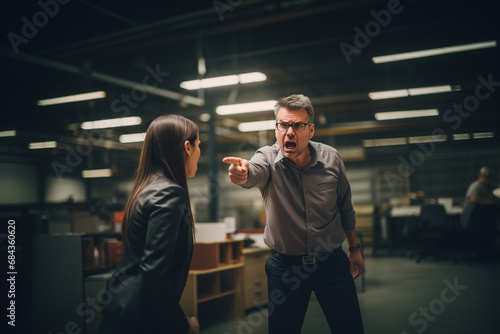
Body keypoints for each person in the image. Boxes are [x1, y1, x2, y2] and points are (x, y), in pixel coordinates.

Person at [223, 94, 364, 334]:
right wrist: (243, 174)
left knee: (349, 328)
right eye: (283, 125)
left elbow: (345, 207)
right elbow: (253, 172)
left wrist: (354, 248)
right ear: (276, 129)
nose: (289, 132)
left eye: (297, 125)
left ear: (311, 130)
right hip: (285, 267)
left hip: (331, 262)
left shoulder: (332, 159)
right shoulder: (266, 158)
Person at [98, 114, 201, 334]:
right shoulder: (169, 192)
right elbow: (154, 275)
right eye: (198, 145)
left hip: (124, 308)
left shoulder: (147, 187)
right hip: (140, 318)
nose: (200, 153)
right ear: (188, 148)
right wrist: (183, 326)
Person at [461, 167, 500, 252]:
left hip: (483, 223)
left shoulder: (489, 187)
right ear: (479, 176)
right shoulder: (476, 186)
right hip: (471, 222)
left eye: (489, 176)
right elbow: (473, 199)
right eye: (485, 176)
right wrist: (487, 201)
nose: (487, 178)